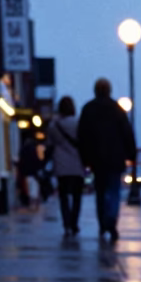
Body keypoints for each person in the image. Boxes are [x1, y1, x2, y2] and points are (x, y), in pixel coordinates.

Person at [76, 77, 135, 242]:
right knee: (114, 191)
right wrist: (131, 154)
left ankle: (102, 223)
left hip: (96, 159)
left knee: (100, 192)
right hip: (115, 158)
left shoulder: (88, 109)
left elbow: (82, 136)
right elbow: (127, 133)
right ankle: (111, 219)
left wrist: (84, 158)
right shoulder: (117, 109)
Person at [45, 96, 85, 236]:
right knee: (77, 196)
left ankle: (66, 223)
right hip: (77, 163)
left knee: (63, 196)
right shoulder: (79, 123)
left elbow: (49, 145)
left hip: (60, 163)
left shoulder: (53, 125)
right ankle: (74, 223)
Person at [17, 132, 46, 209]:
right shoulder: (34, 150)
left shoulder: (23, 151)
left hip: (27, 173)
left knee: (29, 188)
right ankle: (34, 203)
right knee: (34, 188)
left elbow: (21, 162)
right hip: (33, 173)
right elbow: (38, 161)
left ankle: (31, 203)